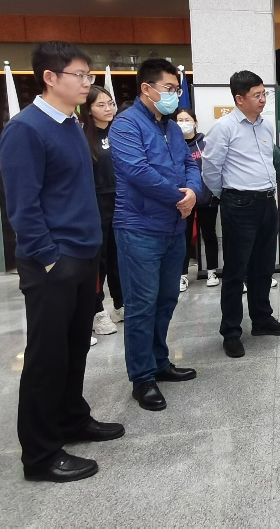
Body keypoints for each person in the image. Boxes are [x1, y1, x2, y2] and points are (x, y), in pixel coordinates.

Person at [0, 42, 124, 482]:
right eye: (80, 75)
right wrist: (50, 258)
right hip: (52, 262)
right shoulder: (25, 129)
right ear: (50, 77)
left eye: (89, 75)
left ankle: (72, 418)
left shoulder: (71, 124)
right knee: (46, 357)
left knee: (74, 348)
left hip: (84, 255)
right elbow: (23, 206)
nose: (88, 83)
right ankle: (40, 454)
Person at [109, 59, 201, 411]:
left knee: (166, 299)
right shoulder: (125, 124)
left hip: (174, 226)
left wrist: (192, 193)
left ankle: (160, 361)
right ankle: (142, 377)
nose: (175, 95)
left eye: (177, 89)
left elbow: (190, 164)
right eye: (169, 88)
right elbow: (137, 171)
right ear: (146, 89)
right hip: (140, 227)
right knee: (141, 305)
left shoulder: (172, 127)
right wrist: (179, 197)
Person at [202, 70, 280, 359]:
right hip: (239, 204)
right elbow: (210, 169)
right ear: (239, 99)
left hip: (267, 202)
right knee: (235, 270)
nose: (263, 99)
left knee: (263, 266)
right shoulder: (224, 128)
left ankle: (262, 319)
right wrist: (228, 196)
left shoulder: (266, 126)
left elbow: (269, 163)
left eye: (264, 94)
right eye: (257, 95)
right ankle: (231, 331)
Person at [79, 85, 124, 332]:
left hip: (121, 200)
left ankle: (120, 303)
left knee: (120, 255)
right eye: (101, 105)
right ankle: (97, 311)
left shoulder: (120, 131)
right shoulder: (81, 136)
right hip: (95, 202)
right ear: (88, 109)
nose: (108, 109)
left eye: (110, 103)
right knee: (99, 260)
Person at [173, 107, 221, 291]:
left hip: (207, 198)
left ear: (195, 122)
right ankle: (182, 275)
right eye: (179, 120)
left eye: (187, 120)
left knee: (209, 234)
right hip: (183, 199)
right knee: (183, 237)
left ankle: (212, 271)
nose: (183, 123)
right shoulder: (173, 144)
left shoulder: (205, 143)